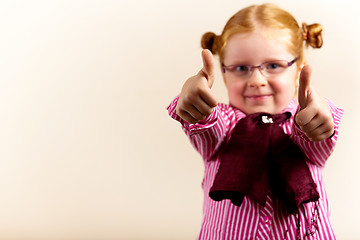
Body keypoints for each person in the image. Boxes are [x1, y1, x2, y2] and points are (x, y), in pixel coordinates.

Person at [167, 3, 343, 240]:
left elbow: (319, 137)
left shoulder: (304, 123)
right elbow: (205, 125)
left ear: (298, 69)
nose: (257, 79)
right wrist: (194, 103)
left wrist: (320, 116)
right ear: (224, 72)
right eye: (241, 68)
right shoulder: (223, 126)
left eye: (273, 66)